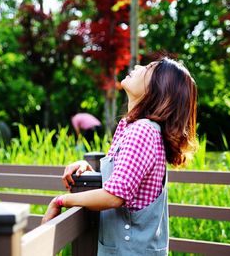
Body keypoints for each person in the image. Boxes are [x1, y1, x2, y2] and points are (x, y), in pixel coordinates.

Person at [42, 57, 197, 255]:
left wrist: (61, 200)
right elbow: (124, 180)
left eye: (148, 68)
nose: (138, 66)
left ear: (159, 88)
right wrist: (90, 171)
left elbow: (116, 195)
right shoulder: (135, 128)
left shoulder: (143, 130)